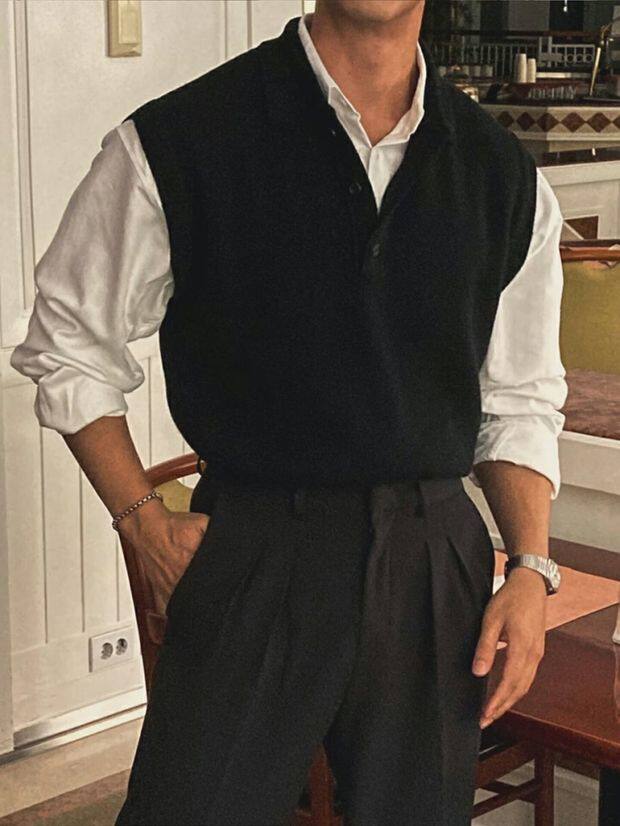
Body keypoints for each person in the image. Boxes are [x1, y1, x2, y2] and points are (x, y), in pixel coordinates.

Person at [10, 1, 567, 824]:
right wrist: (142, 523)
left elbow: (519, 397)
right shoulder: (185, 140)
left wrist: (529, 566)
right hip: (256, 549)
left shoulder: (502, 175)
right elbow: (67, 342)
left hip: (431, 559)